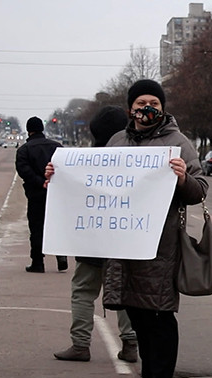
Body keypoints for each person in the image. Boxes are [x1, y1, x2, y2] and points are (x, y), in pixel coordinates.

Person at [103, 79, 208, 378]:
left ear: (162, 108)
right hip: (125, 246)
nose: (147, 109)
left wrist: (183, 178)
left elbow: (199, 190)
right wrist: (58, 175)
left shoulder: (178, 143)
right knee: (138, 316)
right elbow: (95, 183)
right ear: (130, 108)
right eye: (141, 103)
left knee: (159, 318)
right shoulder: (117, 142)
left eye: (154, 103)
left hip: (159, 247)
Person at [50, 105, 137, 363]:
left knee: (83, 290)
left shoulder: (83, 162)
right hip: (124, 238)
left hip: (91, 239)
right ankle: (130, 343)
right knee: (123, 290)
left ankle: (80, 344)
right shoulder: (137, 160)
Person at [15, 116, 67, 273]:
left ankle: (38, 262)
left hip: (36, 194)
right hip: (56, 193)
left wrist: (40, 182)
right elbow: (65, 168)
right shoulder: (57, 147)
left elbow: (24, 171)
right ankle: (61, 257)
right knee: (57, 225)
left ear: (29, 131)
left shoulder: (24, 150)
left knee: (37, 227)